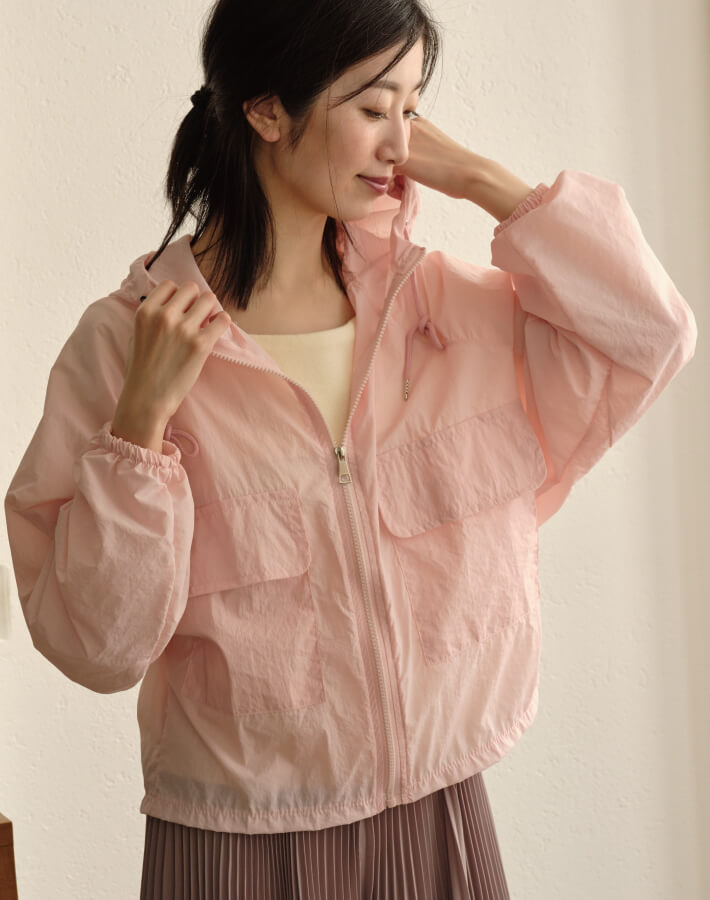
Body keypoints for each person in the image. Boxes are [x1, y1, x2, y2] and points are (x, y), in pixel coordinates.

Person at [3, 0, 698, 896]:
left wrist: (482, 179)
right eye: (373, 108)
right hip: (234, 841)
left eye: (413, 109)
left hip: (439, 816)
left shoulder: (440, 314)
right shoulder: (126, 345)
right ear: (267, 110)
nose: (401, 145)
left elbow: (650, 332)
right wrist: (139, 429)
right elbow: (97, 646)